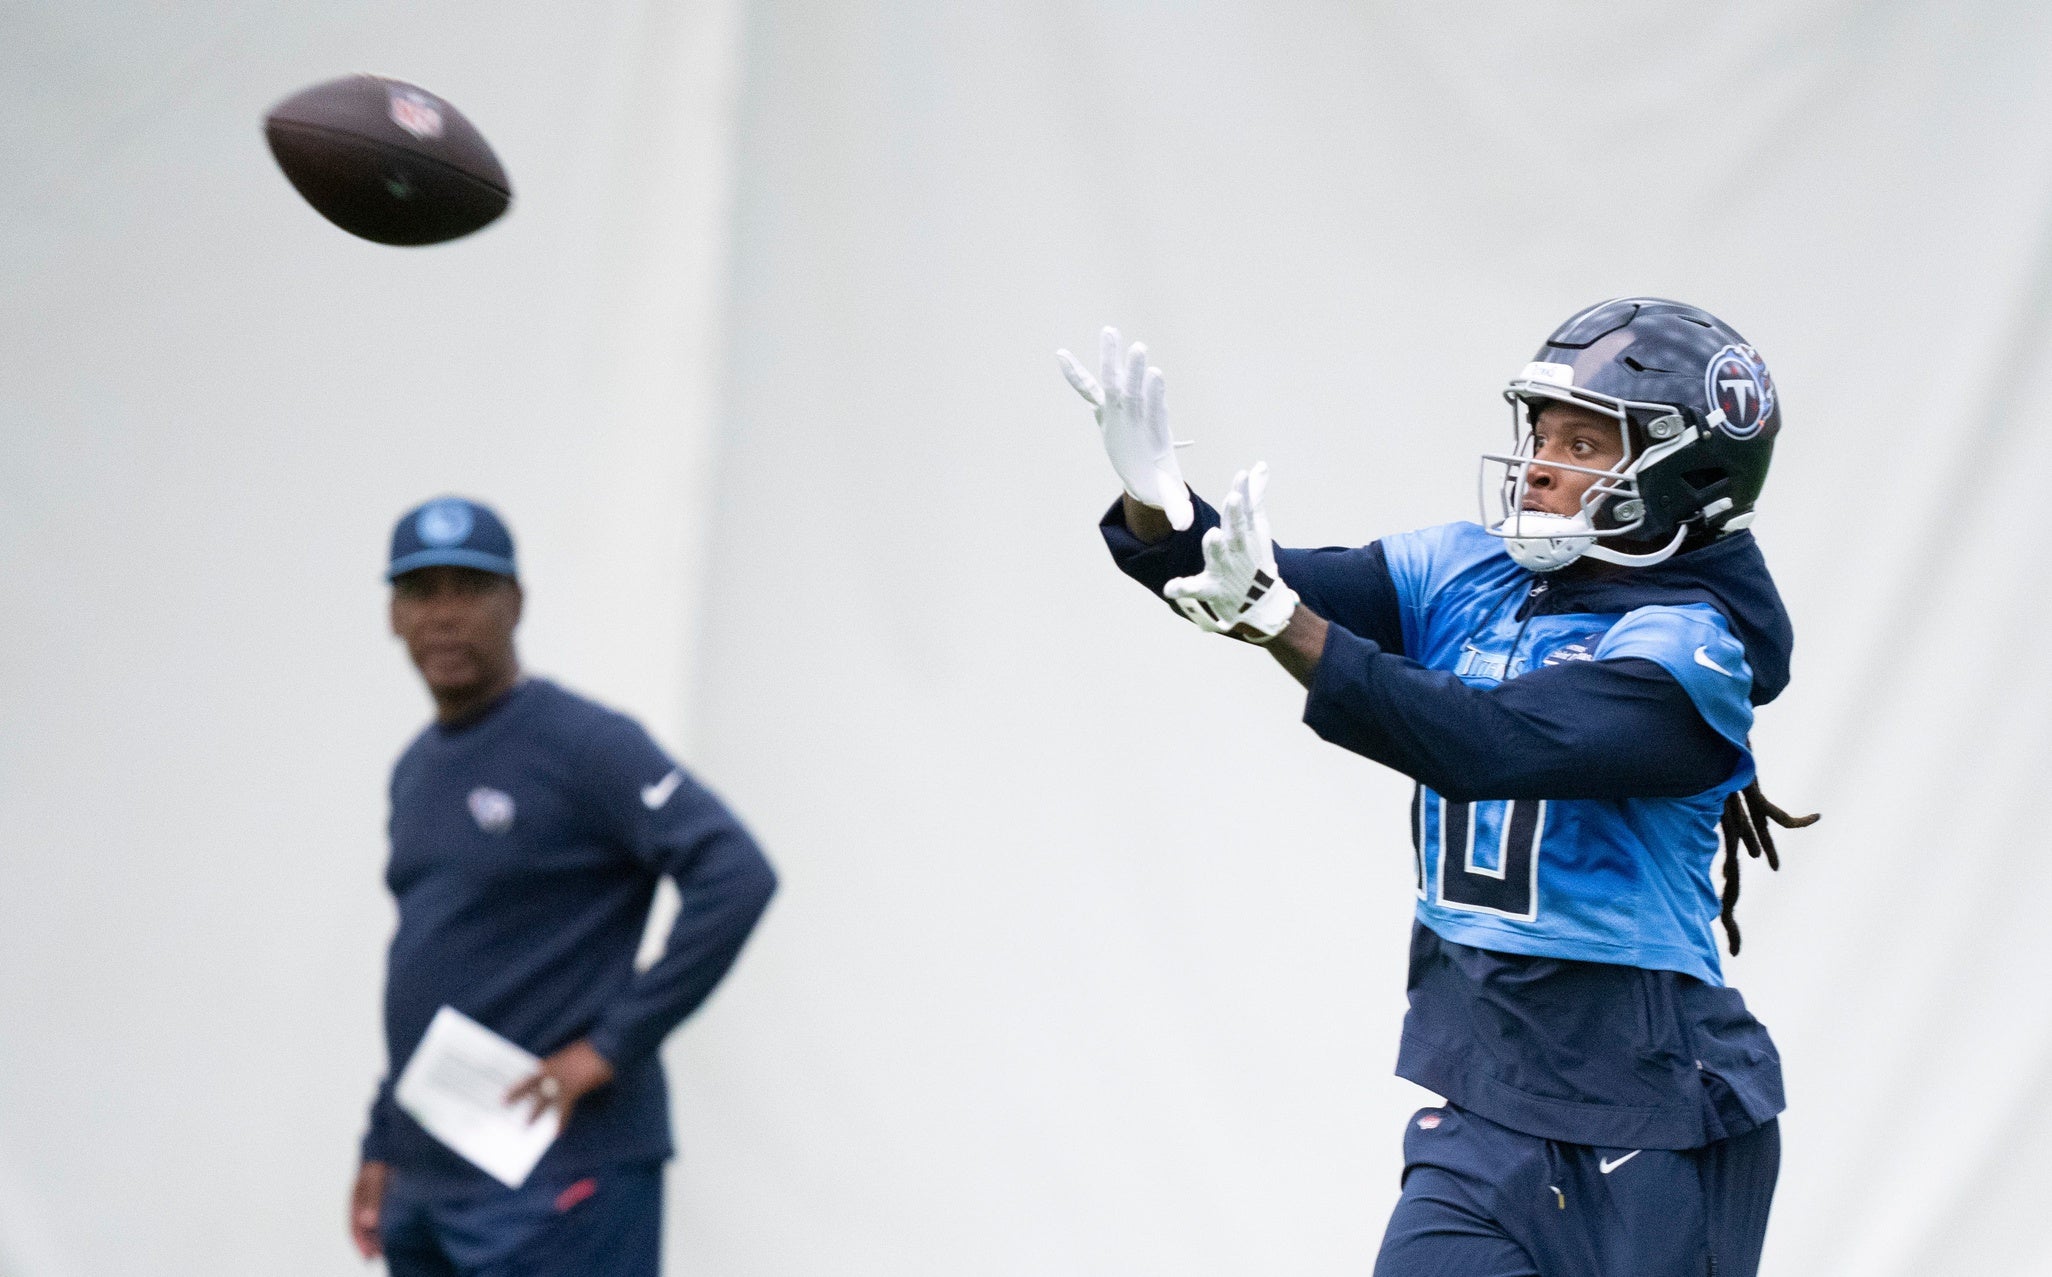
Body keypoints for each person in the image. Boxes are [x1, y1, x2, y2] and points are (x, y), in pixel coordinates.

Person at [1059, 299, 1815, 1277]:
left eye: (1584, 440)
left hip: (1651, 1110)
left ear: (1686, 475)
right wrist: (1164, 510)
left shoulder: (1691, 644)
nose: (1541, 460)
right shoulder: (1468, 571)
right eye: (1542, 430)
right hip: (1485, 1106)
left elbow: (1491, 741)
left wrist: (1281, 619)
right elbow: (1259, 577)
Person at [349, 496, 777, 1276]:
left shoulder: (583, 744)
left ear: (515, 602)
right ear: (392, 615)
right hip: (432, 1180)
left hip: (561, 1176)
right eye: (421, 590)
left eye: (468, 587)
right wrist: (385, 1140)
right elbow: (430, 957)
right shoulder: (417, 769)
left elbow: (735, 872)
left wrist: (607, 1047)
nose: (444, 614)